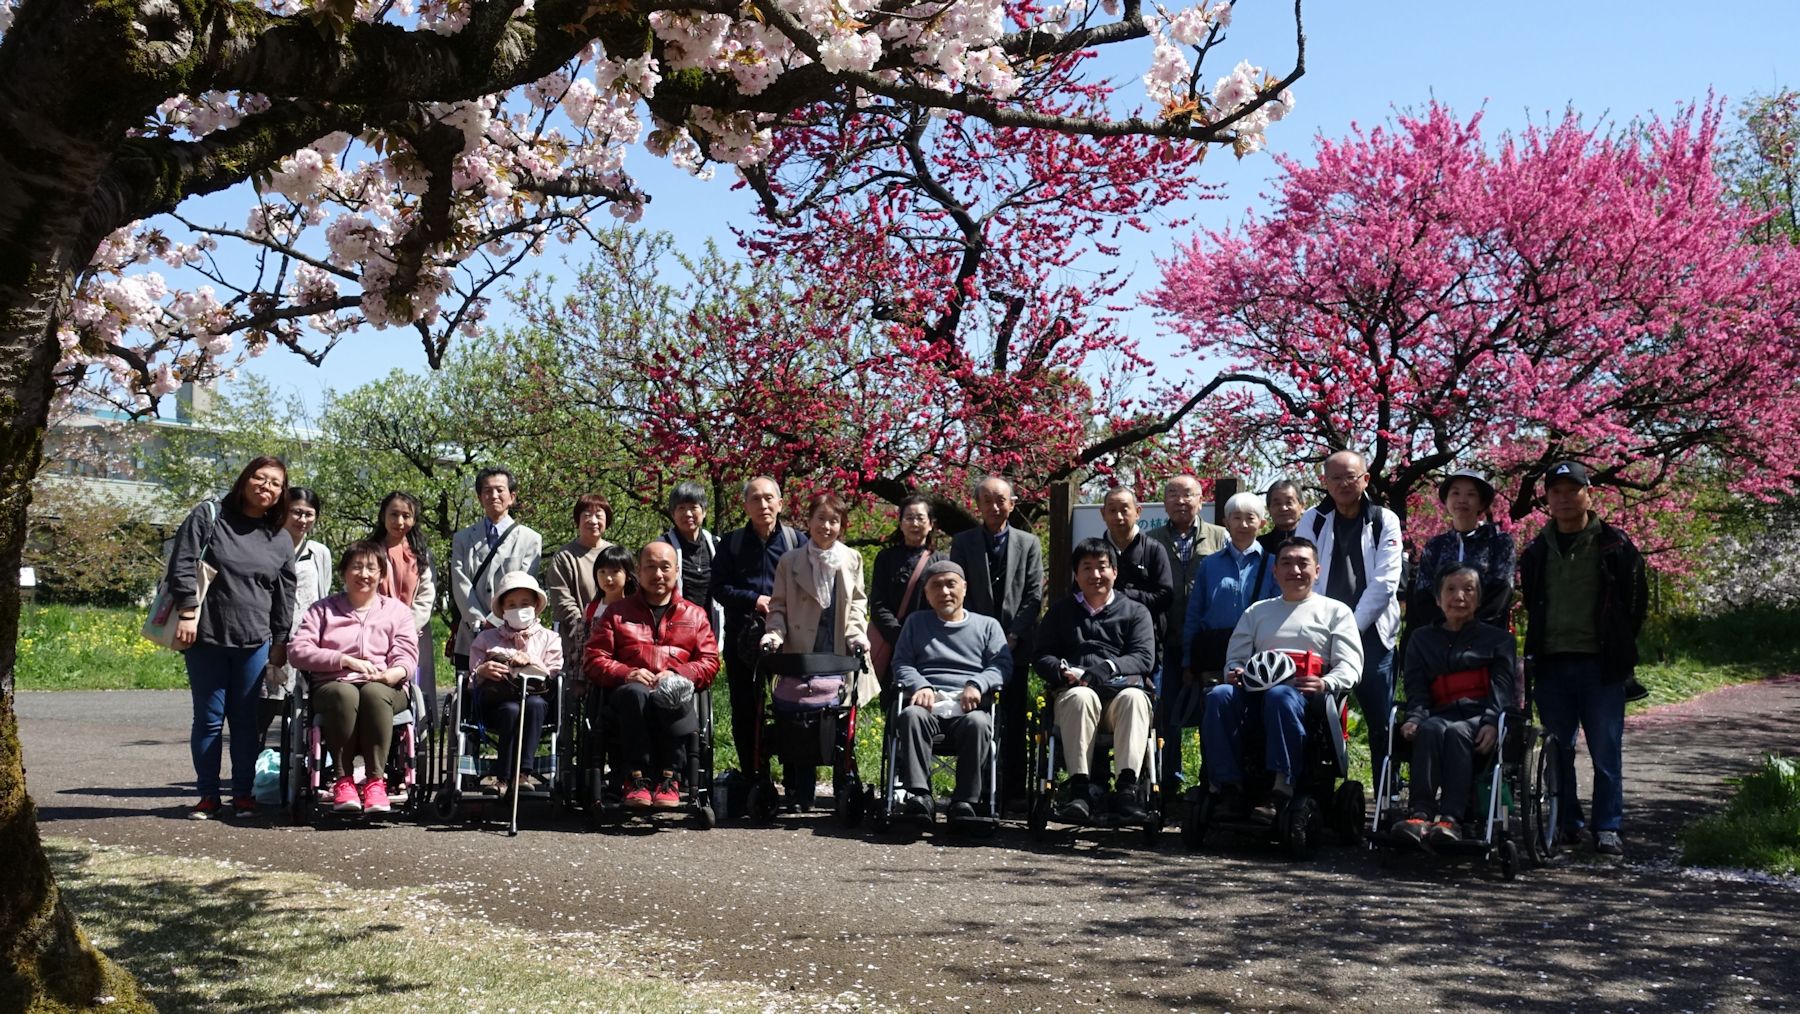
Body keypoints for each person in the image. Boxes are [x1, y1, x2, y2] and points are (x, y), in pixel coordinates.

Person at [1518, 460, 1647, 858]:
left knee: (1606, 751)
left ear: (1589, 493)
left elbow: (1635, 602)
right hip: (1553, 664)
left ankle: (1607, 826)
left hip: (1601, 665)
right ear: (1546, 500)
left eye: (1572, 490)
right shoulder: (1536, 551)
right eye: (1555, 492)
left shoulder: (1614, 544)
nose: (1564, 499)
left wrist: (1620, 645)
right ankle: (1567, 821)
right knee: (1558, 750)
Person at [167, 455, 298, 819]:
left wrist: (280, 641)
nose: (266, 487)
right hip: (205, 635)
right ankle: (208, 795)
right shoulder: (210, 516)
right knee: (208, 719)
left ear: (281, 493)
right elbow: (182, 563)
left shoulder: (280, 538)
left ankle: (243, 794)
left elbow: (284, 594)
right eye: (260, 478)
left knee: (244, 721)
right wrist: (188, 612)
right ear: (245, 479)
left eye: (275, 483)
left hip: (253, 641)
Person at [1201, 538, 1363, 817]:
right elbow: (1235, 659)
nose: (1295, 570)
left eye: (1303, 563)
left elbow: (1349, 666)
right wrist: (1236, 673)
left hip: (1306, 701)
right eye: (1286, 563)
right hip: (1255, 695)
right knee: (1219, 695)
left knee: (1280, 695)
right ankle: (1228, 786)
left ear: (1317, 570)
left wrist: (1327, 683)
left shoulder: (1336, 612)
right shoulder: (1257, 611)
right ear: (1275, 572)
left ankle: (1282, 786)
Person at [287, 541, 420, 815]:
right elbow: (298, 651)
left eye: (372, 568)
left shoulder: (397, 612)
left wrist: (393, 673)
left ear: (382, 574)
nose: (364, 574)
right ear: (344, 572)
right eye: (357, 566)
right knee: (345, 694)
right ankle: (343, 780)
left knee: (372, 693)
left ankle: (375, 782)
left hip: (385, 686)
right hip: (333, 686)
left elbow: (406, 654)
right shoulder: (322, 610)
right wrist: (342, 660)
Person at [585, 542, 721, 809]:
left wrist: (678, 674)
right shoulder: (616, 613)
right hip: (627, 700)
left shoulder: (695, 615)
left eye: (665, 567)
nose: (658, 574)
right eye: (650, 567)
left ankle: (670, 779)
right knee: (636, 693)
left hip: (675, 699)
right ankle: (637, 778)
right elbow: (594, 659)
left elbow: (709, 661)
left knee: (671, 690)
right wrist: (627, 673)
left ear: (677, 571)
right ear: (639, 570)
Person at [759, 492, 873, 809]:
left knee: (836, 720)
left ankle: (842, 789)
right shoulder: (790, 561)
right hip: (800, 650)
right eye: (820, 519)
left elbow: (856, 607)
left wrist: (858, 636)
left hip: (837, 647)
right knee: (801, 716)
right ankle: (802, 791)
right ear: (808, 521)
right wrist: (773, 634)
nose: (826, 526)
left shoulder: (852, 559)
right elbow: (778, 607)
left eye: (833, 520)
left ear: (842, 526)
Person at [1034, 538, 1157, 825]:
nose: (1095, 575)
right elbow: (1041, 655)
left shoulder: (1135, 611)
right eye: (1086, 568)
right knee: (1081, 696)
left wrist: (1108, 668)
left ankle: (1127, 790)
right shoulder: (1061, 611)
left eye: (1102, 567)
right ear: (1076, 575)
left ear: (1114, 571)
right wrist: (1061, 670)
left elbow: (1143, 657)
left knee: (1136, 698)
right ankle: (1080, 791)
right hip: (1075, 698)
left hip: (1119, 696)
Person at [1298, 450, 1403, 786]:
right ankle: (1319, 792)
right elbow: (1302, 573)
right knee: (1318, 714)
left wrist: (1350, 629)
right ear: (1324, 482)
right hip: (1320, 633)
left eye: (1351, 477)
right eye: (1336, 478)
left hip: (1371, 635)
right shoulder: (1312, 520)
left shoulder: (1384, 520)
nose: (1344, 483)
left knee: (1380, 722)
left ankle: (1387, 794)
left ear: (1365, 480)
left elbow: (1386, 582)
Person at [1393, 564, 1516, 847]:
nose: (1459, 596)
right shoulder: (1421, 639)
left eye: (1468, 589)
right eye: (1450, 589)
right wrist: (1414, 717)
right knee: (1431, 729)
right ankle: (1420, 814)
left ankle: (1451, 818)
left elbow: (1502, 688)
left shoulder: (1499, 641)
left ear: (1479, 598)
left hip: (1479, 715)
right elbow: (1417, 687)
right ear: (1437, 599)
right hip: (1439, 712)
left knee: (1459, 731)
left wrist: (1491, 722)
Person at [889, 560, 1010, 822]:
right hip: (927, 706)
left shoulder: (987, 626)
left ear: (964, 588)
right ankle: (920, 796)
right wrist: (920, 685)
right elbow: (901, 663)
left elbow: (1001, 665)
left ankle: (965, 801)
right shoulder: (915, 623)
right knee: (910, 716)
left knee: (980, 722)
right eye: (937, 586)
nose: (945, 592)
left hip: (968, 707)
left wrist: (977, 684)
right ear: (927, 593)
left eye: (951, 584)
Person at [950, 476, 1043, 805]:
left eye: (1000, 500)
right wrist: (978, 635)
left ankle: (1014, 793)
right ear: (978, 505)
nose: (994, 506)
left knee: (1015, 720)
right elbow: (957, 592)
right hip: (972, 647)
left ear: (1012, 503)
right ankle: (975, 791)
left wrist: (1014, 635)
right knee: (975, 715)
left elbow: (1034, 596)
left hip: (1016, 647)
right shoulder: (963, 542)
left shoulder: (1028, 543)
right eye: (987, 500)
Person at [711, 475, 807, 768]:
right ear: (745, 505)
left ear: (780, 503)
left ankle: (793, 778)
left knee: (792, 707)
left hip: (789, 640)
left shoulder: (797, 541)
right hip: (744, 639)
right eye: (755, 498)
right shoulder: (732, 543)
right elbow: (719, 588)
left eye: (768, 498)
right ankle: (753, 776)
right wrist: (755, 600)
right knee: (745, 710)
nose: (763, 504)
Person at [1149, 475, 1228, 794]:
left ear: (1201, 499)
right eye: (1173, 495)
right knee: (1166, 713)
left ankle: (1211, 781)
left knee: (1211, 712)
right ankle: (1168, 780)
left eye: (1188, 495)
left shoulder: (1220, 536)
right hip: (1165, 640)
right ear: (1164, 501)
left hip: (1208, 644)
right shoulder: (1151, 539)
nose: (1181, 501)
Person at [468, 571, 562, 797]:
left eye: (524, 603)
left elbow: (555, 671)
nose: (518, 609)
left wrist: (532, 660)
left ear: (536, 605)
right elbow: (470, 680)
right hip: (496, 704)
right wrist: (482, 671)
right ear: (502, 609)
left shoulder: (550, 638)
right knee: (511, 709)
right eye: (511, 604)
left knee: (534, 705)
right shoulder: (485, 639)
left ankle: (522, 775)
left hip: (537, 705)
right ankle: (502, 777)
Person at [449, 467, 543, 672]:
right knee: (469, 694)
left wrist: (495, 620)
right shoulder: (462, 539)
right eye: (487, 491)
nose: (493, 496)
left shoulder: (530, 539)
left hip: (512, 634)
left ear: (512, 496)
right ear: (479, 497)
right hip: (470, 633)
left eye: (500, 490)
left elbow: (523, 585)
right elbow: (460, 582)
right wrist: (479, 622)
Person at [1182, 492, 1281, 686]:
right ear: (1226, 522)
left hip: (1259, 653)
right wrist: (1188, 661)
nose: (1243, 524)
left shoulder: (1274, 564)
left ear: (1262, 523)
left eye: (1250, 518)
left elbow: (1280, 611)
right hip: (1215, 653)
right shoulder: (1209, 564)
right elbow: (1194, 613)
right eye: (1236, 517)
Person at [258, 486, 331, 740]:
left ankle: (297, 768)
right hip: (270, 636)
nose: (302, 520)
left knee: (304, 706)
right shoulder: (266, 544)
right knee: (264, 704)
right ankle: (251, 766)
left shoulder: (319, 552)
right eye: (296, 512)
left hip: (305, 638)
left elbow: (324, 594)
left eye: (309, 514)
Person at [1408, 469, 1516, 632]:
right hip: (1441, 638)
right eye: (1455, 493)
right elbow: (1424, 593)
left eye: (1471, 494)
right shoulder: (1435, 546)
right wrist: (1446, 627)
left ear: (1481, 503)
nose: (1462, 500)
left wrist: (1470, 628)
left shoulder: (1498, 542)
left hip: (1485, 637)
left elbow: (1501, 590)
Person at [868, 495, 946, 686]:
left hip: (928, 643)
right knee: (891, 699)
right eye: (909, 518)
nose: (914, 523)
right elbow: (878, 603)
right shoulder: (886, 558)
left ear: (930, 524)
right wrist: (899, 636)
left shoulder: (942, 562)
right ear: (901, 523)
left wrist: (921, 637)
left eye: (920, 518)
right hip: (892, 641)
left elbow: (945, 604)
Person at [369, 490, 438, 705]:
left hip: (413, 633)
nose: (399, 521)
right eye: (394, 514)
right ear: (383, 516)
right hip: (374, 632)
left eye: (406, 516)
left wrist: (405, 625)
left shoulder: (421, 555)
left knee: (415, 689)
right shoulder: (369, 551)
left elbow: (427, 595)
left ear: (414, 519)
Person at [546, 493, 614, 675]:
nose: (593, 520)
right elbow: (562, 601)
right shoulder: (564, 557)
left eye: (599, 515)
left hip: (615, 638)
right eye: (586, 515)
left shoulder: (614, 554)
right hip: (576, 640)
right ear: (577, 520)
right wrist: (586, 630)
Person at [659, 481, 725, 637]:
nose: (688, 514)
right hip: (674, 630)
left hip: (710, 630)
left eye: (693, 507)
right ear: (673, 513)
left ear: (704, 511)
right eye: (681, 508)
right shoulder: (662, 547)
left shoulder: (717, 545)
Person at [1257, 479, 1306, 555]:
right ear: (1269, 509)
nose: (1283, 508)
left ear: (1302, 506)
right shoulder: (1259, 546)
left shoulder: (1314, 541)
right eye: (1277, 503)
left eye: (1289, 502)